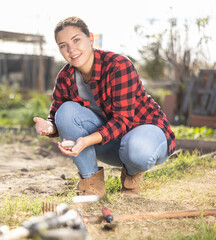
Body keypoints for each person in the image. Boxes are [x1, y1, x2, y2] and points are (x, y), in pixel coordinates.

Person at [33, 16, 176, 198]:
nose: (71, 49)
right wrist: (50, 126)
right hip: (111, 143)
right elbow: (57, 115)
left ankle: (131, 176)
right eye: (63, 45)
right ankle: (91, 184)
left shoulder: (118, 65)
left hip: (145, 136)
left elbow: (124, 121)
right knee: (66, 111)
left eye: (76, 40)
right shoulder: (65, 77)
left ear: (90, 38)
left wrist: (86, 140)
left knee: (138, 149)